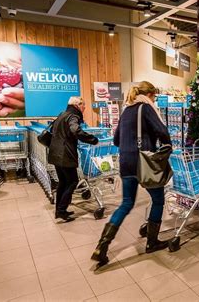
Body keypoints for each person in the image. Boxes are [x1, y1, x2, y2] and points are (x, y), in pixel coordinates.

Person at [91, 81, 172, 266]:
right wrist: (167, 145)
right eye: (155, 97)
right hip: (143, 162)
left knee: (126, 203)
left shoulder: (127, 110)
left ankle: (102, 246)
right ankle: (152, 242)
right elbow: (162, 130)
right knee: (158, 199)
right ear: (150, 95)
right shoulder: (146, 107)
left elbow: (116, 139)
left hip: (125, 162)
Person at [48, 96, 98, 222]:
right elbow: (75, 129)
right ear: (77, 105)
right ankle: (61, 210)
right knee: (72, 182)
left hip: (55, 153)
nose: (85, 107)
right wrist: (92, 139)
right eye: (84, 105)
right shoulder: (73, 116)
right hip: (65, 155)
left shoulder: (62, 114)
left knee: (63, 183)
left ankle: (59, 210)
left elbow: (54, 130)